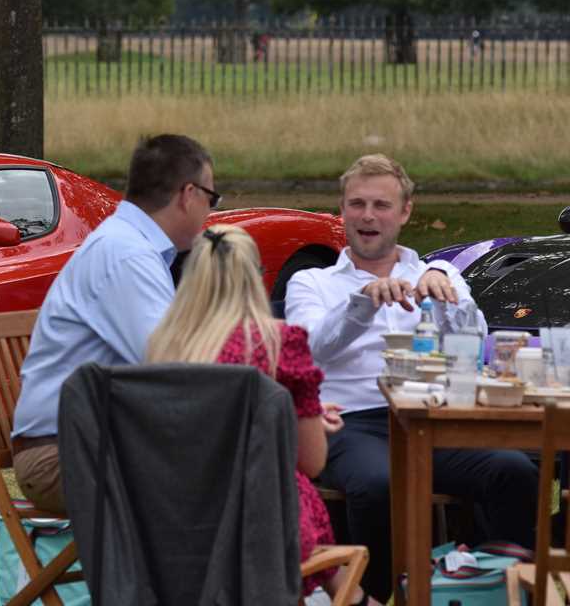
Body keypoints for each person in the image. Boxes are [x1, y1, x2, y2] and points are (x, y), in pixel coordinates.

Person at [286, 154, 538, 603]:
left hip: (431, 418)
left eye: (381, 205)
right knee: (380, 483)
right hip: (351, 421)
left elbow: (474, 340)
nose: (367, 215)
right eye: (357, 204)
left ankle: (493, 590)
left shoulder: (438, 274)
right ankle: (379, 596)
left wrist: (449, 301)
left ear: (404, 212)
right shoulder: (313, 281)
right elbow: (311, 348)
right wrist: (361, 304)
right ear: (341, 210)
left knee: (513, 470)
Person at [147, 224, 373, 604]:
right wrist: (310, 421)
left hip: (168, 522)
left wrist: (298, 414)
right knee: (293, 488)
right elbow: (312, 461)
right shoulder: (276, 345)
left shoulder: (163, 346)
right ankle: (356, 598)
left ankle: (353, 597)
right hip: (259, 525)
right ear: (257, 279)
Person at [10, 133, 217, 514]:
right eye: (211, 198)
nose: (210, 212)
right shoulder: (126, 255)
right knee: (221, 477)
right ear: (188, 195)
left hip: (87, 443)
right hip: (62, 456)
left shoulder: (130, 246)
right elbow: (171, 367)